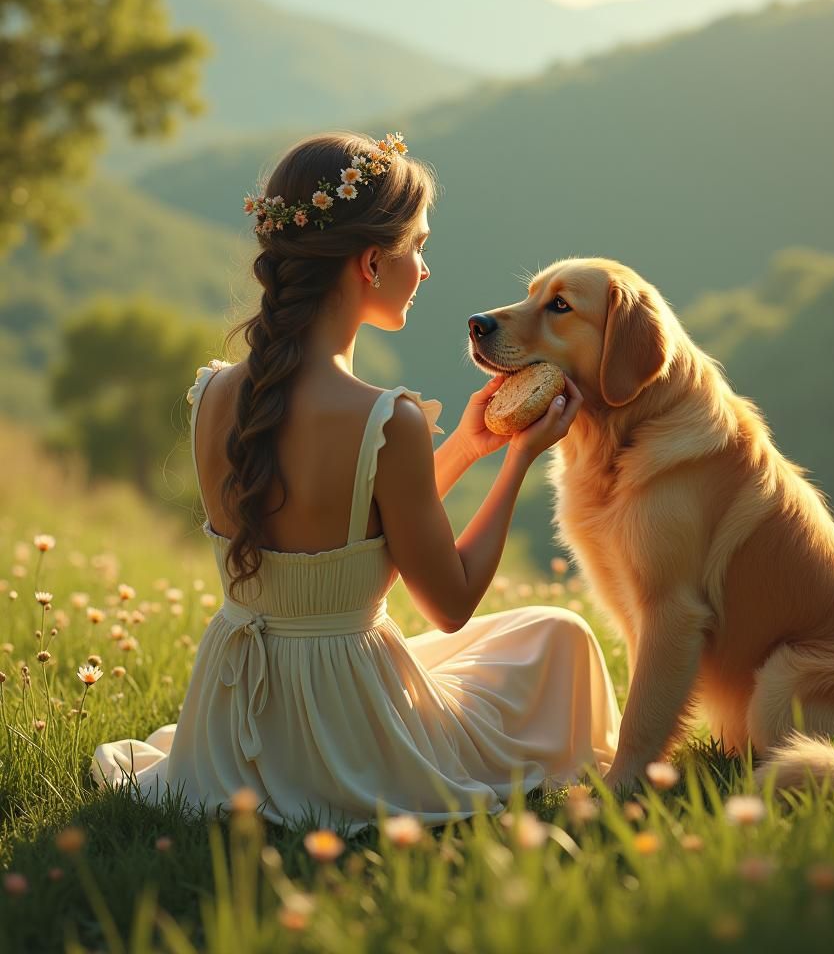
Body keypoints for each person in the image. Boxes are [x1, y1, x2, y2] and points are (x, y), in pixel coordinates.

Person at [91, 130, 621, 833]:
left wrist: (466, 445)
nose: (426, 270)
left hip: (232, 709)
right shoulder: (385, 417)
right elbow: (451, 603)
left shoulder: (213, 394)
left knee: (528, 640)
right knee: (557, 636)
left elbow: (347, 520)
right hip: (351, 716)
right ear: (371, 262)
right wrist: (520, 461)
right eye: (419, 247)